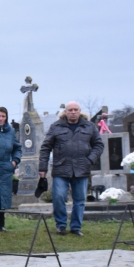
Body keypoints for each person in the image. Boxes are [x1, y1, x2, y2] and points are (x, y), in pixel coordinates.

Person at [38, 101, 103, 236]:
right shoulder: (56, 127)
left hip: (82, 168)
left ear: (80, 111)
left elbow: (98, 145)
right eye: (70, 110)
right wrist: (43, 168)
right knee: (59, 196)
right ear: (65, 112)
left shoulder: (89, 126)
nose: (73, 112)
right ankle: (61, 225)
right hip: (61, 168)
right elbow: (46, 147)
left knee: (79, 200)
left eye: (75, 110)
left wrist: (90, 160)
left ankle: (76, 227)